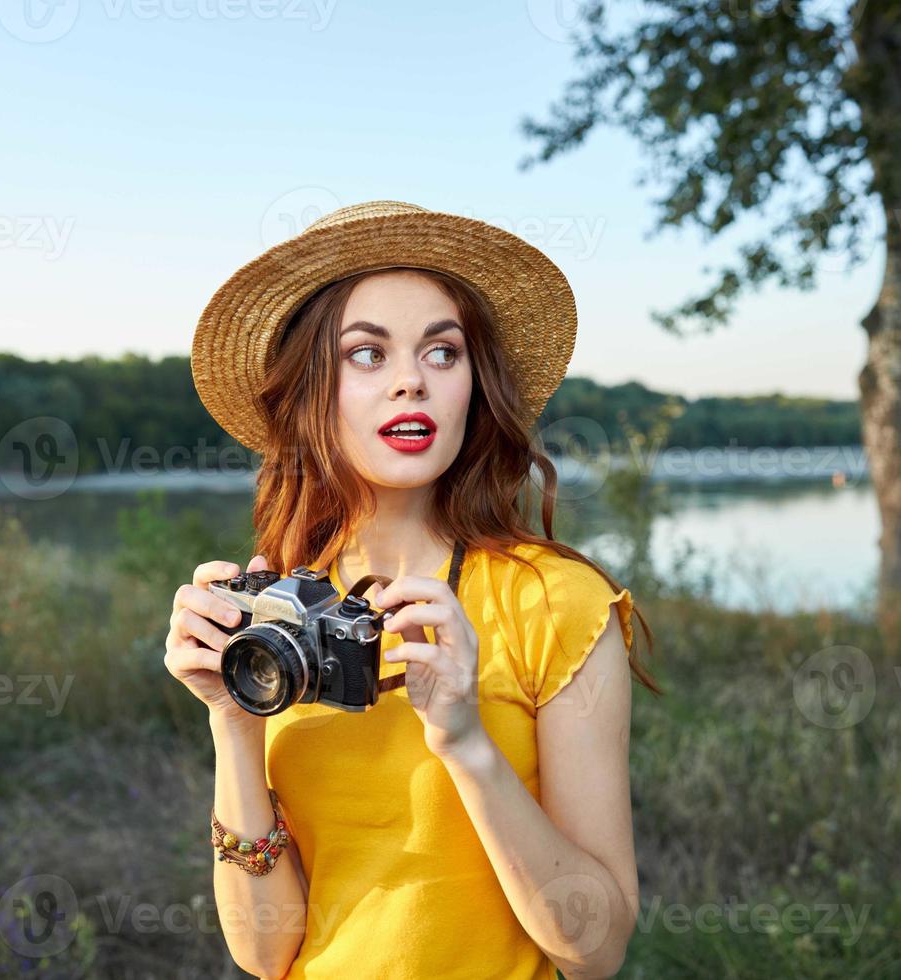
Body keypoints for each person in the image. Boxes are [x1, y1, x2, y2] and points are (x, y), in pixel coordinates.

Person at [164, 200, 661, 979]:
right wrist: (233, 719)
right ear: (310, 391)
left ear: (475, 384)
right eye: (367, 355)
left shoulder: (556, 604)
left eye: (442, 353)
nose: (410, 383)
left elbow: (595, 950)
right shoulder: (276, 619)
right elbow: (264, 953)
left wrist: (467, 742)